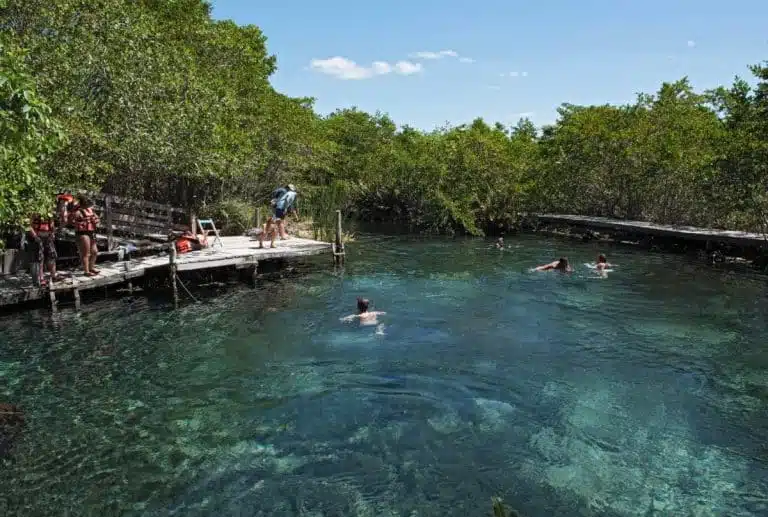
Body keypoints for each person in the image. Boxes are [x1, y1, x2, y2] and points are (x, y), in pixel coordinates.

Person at [27, 211, 63, 286]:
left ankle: (53, 275)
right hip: (37, 238)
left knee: (52, 256)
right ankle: (41, 278)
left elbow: (52, 224)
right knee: (40, 258)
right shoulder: (34, 212)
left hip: (48, 237)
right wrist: (35, 236)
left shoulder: (49, 212)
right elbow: (29, 226)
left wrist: (52, 233)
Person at [69, 194, 101, 276]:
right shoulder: (77, 212)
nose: (88, 205)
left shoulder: (90, 210)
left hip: (91, 232)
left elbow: (96, 218)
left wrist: (96, 221)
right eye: (87, 203)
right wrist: (79, 223)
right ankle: (86, 271)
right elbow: (70, 221)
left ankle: (91, 268)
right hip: (82, 233)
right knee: (86, 253)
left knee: (95, 252)